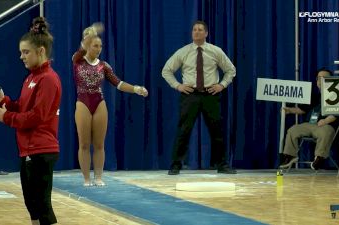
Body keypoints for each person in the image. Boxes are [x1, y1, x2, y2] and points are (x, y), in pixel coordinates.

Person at [0, 17, 61, 225]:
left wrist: (6, 117)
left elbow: (36, 116)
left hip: (42, 150)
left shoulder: (48, 79)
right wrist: (4, 100)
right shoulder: (31, 78)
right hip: (27, 149)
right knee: (32, 206)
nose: (21, 57)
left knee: (42, 206)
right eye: (21, 52)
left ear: (41, 51)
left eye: (26, 52)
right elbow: (23, 107)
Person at [72, 23, 148, 186]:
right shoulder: (77, 60)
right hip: (83, 103)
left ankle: (98, 177)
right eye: (95, 45)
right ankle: (86, 178)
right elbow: (82, 47)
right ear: (88, 46)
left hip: (99, 103)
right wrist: (92, 33)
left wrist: (136, 89)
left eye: (100, 46)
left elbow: (118, 83)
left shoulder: (104, 66)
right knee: (84, 144)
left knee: (99, 144)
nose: (98, 48)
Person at [162, 20, 237, 175]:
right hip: (190, 95)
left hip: (210, 95)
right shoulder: (183, 52)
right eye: (194, 30)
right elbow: (166, 70)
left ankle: (222, 164)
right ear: (192, 33)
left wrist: (222, 85)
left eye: (200, 30)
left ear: (206, 33)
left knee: (216, 131)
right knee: (184, 130)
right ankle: (176, 164)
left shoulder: (216, 51)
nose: (196, 32)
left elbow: (230, 70)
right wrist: (178, 85)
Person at [279, 69, 339, 170]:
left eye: (325, 78)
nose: (321, 81)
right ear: (316, 81)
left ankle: (319, 158)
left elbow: (336, 114)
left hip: (324, 126)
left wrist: (325, 121)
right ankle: (290, 156)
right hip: (310, 124)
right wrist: (289, 110)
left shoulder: (336, 97)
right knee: (293, 130)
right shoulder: (315, 97)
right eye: (319, 78)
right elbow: (302, 109)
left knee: (327, 132)